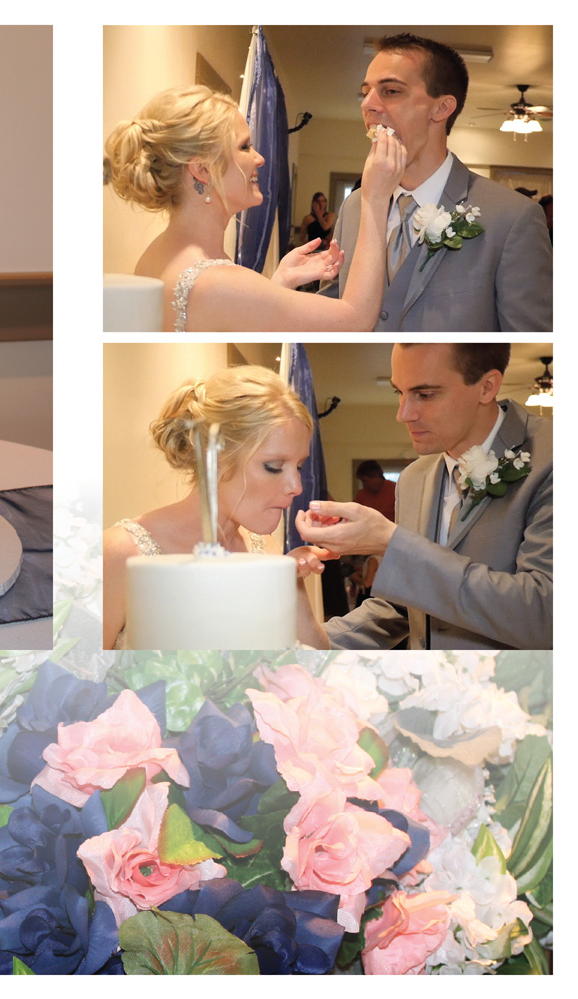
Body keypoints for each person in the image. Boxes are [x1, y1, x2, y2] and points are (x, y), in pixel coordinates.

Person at [296, 343, 552, 650]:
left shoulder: (553, 455)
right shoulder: (413, 478)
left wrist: (391, 542)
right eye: (399, 392)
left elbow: (546, 615)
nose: (403, 414)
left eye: (425, 394)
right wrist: (310, 645)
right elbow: (403, 607)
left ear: (486, 387)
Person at [103, 86, 406, 332]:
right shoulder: (218, 283)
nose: (259, 158)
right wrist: (375, 199)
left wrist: (276, 286)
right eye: (244, 146)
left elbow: (217, 314)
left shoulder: (158, 254)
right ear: (203, 170)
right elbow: (355, 320)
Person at [320, 34, 552, 331]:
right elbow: (332, 315)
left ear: (441, 108)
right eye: (366, 92)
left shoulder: (512, 218)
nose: (367, 104)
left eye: (390, 91)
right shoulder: (354, 207)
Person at [103, 366, 331, 649]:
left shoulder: (264, 550)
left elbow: (313, 664)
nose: (296, 487)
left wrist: (290, 582)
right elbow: (74, 671)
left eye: (299, 467)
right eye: (274, 466)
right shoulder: (119, 553)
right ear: (214, 459)